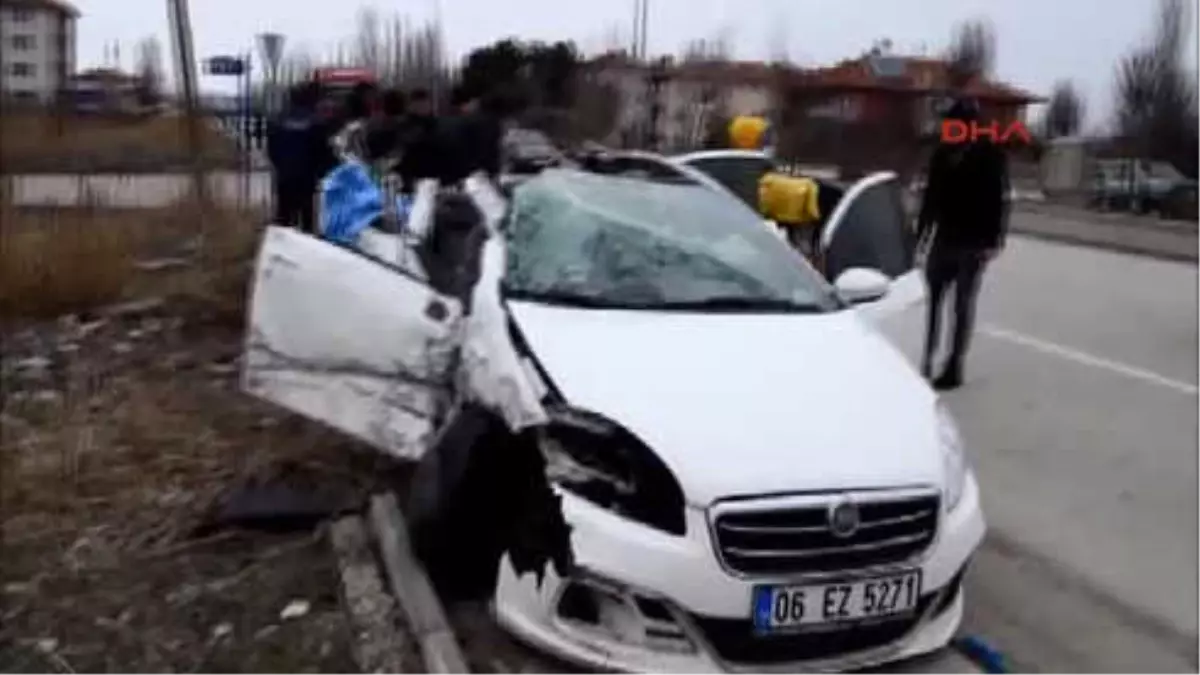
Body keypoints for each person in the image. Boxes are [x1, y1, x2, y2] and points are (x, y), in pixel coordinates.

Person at [916, 98, 1010, 390]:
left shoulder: (990, 154)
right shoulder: (942, 154)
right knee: (934, 301)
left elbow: (1000, 199)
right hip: (944, 238)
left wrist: (994, 240)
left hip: (973, 243)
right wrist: (921, 236)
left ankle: (954, 366)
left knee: (961, 306)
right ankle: (928, 359)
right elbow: (931, 198)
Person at [266, 82, 327, 232]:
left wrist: (280, 167)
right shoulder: (315, 123)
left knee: (284, 218)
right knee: (307, 221)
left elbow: (271, 150)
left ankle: (283, 250)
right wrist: (319, 174)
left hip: (284, 178)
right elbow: (321, 153)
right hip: (306, 180)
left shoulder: (278, 121)